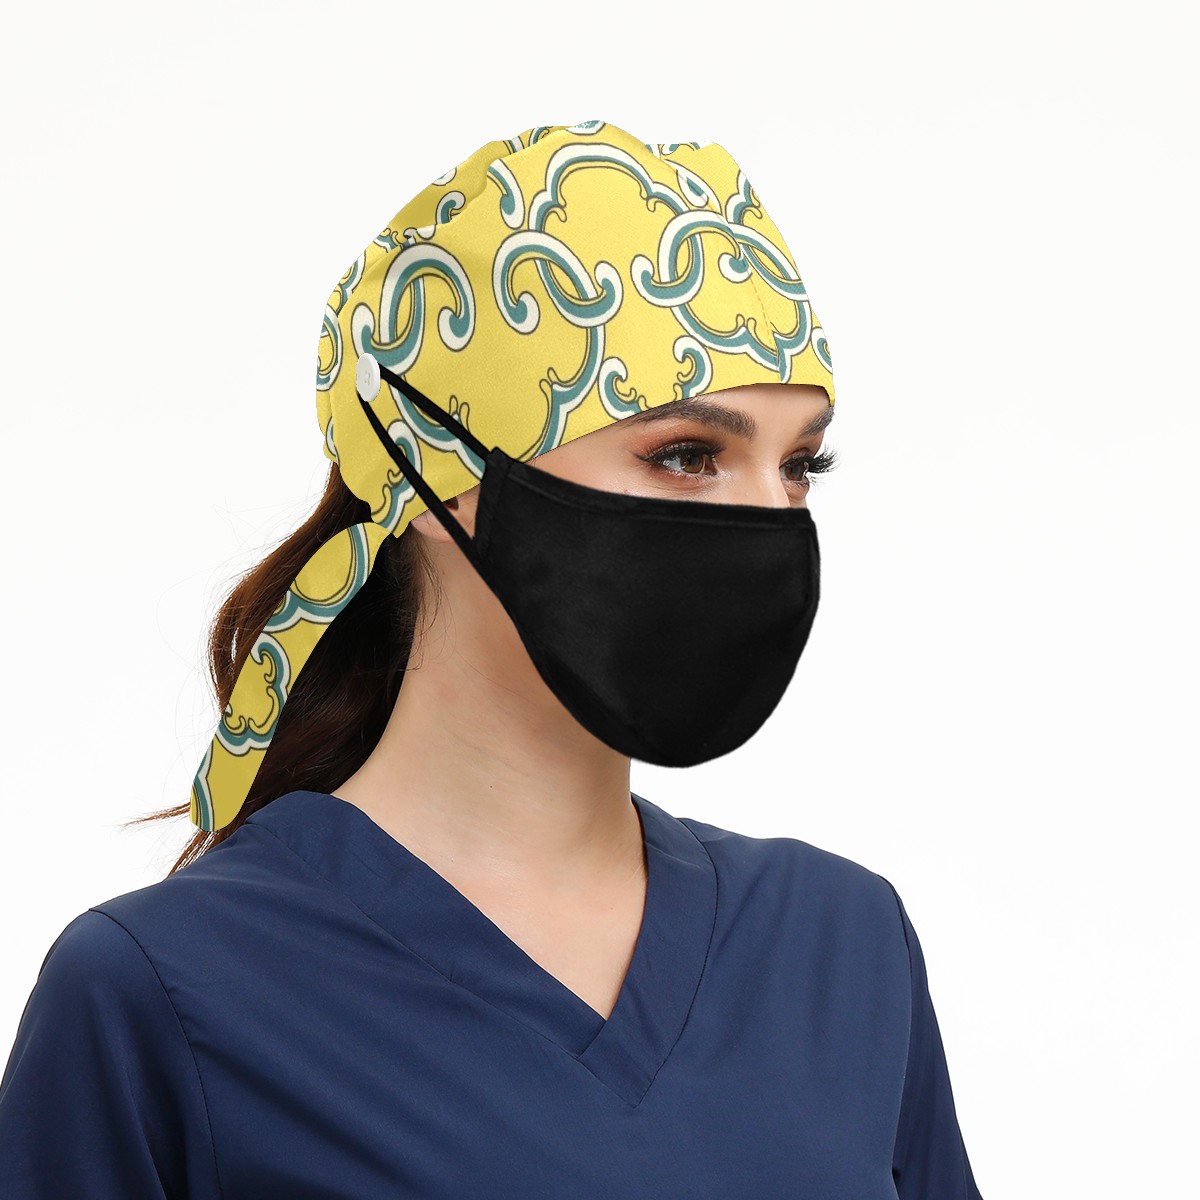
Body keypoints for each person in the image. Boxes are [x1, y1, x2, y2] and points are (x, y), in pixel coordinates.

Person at [0, 119, 984, 1198]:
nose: (770, 523)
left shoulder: (841, 946)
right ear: (439, 474)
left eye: (800, 466)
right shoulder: (161, 995)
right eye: (686, 455)